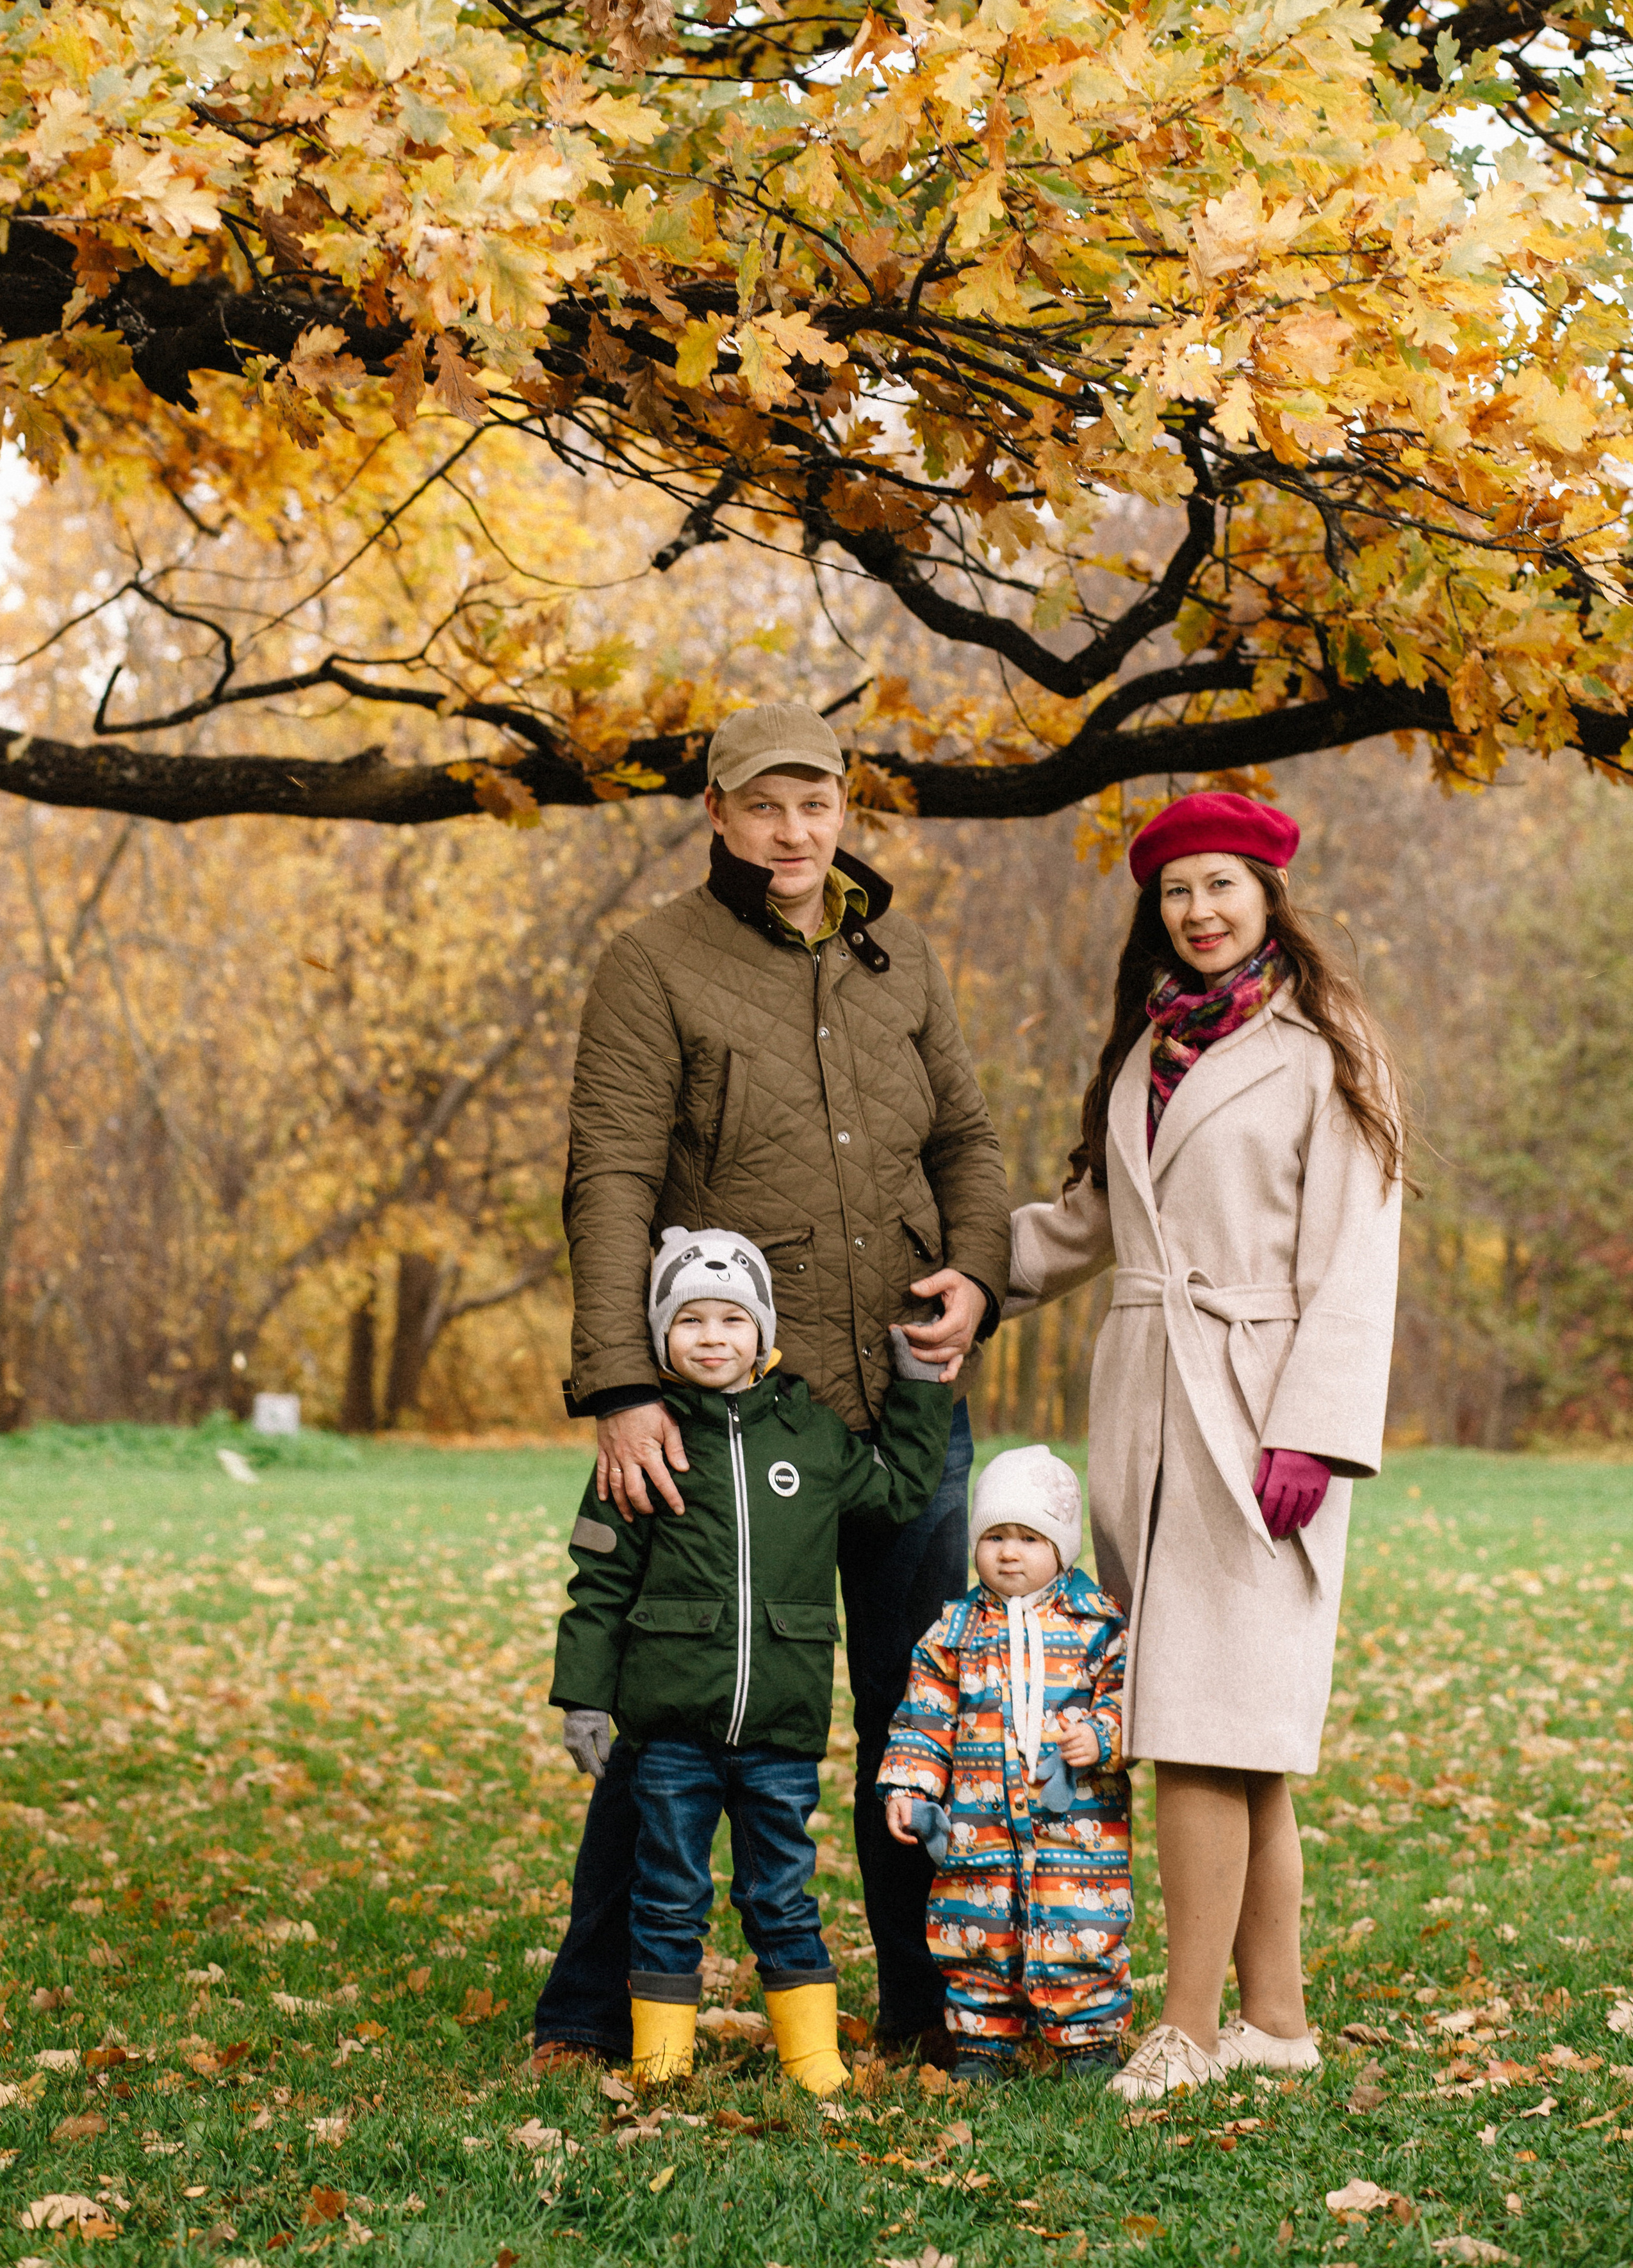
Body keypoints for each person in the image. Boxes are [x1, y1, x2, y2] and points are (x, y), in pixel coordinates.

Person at [534, 700, 1011, 2071]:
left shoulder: (894, 954)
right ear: (718, 816)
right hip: (731, 1419)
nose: (792, 831)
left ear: (842, 811)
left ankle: (927, 2012)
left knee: (912, 1710)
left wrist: (973, 1276)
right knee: (681, 1710)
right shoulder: (651, 963)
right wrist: (623, 1386)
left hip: (907, 1396)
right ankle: (586, 2013)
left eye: (815, 804)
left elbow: (968, 1141)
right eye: (763, 805)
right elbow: (609, 1177)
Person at [1001, 790, 1403, 2100]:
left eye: (1221, 885)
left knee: (1197, 1724)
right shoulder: (1143, 1050)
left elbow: (1357, 1251)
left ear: (1268, 895)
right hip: (1145, 1414)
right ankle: (1273, 2027)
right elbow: (1086, 1222)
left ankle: (1179, 2027)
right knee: (1234, 1740)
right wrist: (960, 1274)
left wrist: (1313, 1430)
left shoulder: (1322, 1047)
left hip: (1258, 1419)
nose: (1199, 911)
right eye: (1176, 891)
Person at [550, 1227, 955, 2093]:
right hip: (670, 1733)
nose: (711, 1337)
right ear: (661, 1335)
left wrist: (920, 1391)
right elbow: (598, 1580)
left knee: (780, 1895)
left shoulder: (810, 1436)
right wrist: (583, 1698)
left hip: (778, 1729)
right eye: (689, 1319)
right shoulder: (646, 1444)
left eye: (732, 1318)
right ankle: (662, 2061)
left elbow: (898, 1491)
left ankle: (814, 2064)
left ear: (762, 1332)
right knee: (667, 1895)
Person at [878, 1444, 1131, 2082]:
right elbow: (923, 1716)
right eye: (994, 1536)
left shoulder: (1095, 1624)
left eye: (1028, 1536)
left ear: (1062, 1546)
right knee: (974, 1930)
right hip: (976, 1828)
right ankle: (983, 2044)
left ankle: (1088, 2041)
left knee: (1082, 1927)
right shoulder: (953, 1632)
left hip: (1077, 1830)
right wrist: (909, 1783)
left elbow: (1130, 1697)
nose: (1008, 1552)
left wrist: (1101, 1736)